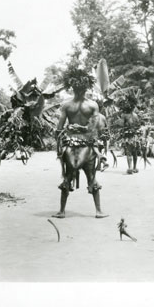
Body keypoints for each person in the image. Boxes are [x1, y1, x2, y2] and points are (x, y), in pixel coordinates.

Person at [54, 71, 108, 219]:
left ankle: (62, 211)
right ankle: (98, 211)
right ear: (87, 88)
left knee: (67, 176)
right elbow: (97, 127)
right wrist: (84, 129)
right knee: (91, 177)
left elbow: (59, 128)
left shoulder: (66, 105)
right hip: (88, 145)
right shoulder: (92, 105)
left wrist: (68, 131)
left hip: (70, 144)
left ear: (72, 87)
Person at [118, 95, 143, 174]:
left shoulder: (124, 115)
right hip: (135, 136)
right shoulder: (136, 116)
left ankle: (130, 168)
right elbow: (138, 126)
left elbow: (121, 125)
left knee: (129, 152)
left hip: (128, 136)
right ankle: (135, 167)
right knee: (135, 152)